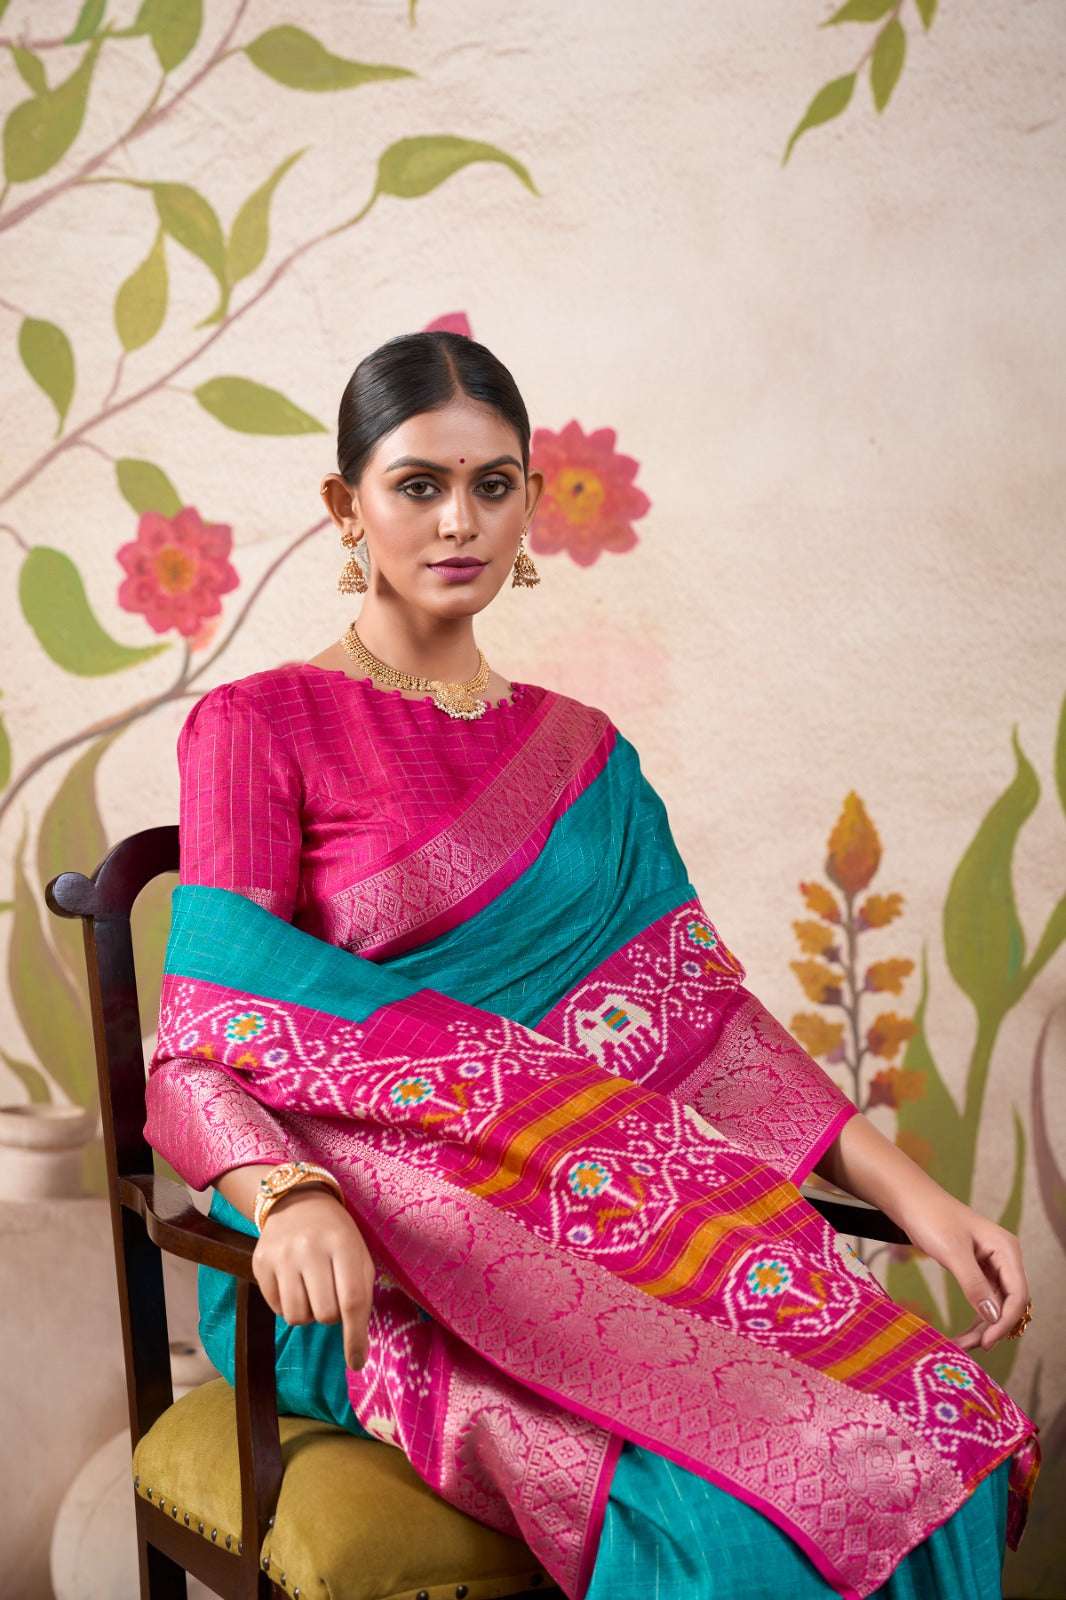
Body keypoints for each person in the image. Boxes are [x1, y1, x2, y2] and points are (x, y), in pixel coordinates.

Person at [145, 330, 1038, 1600]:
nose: (459, 520)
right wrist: (285, 1193)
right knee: (718, 1510)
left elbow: (706, 1024)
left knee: (935, 1428)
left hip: (622, 1231)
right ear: (345, 506)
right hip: (378, 1262)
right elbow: (200, 1042)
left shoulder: (584, 755)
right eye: (417, 485)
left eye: (493, 485)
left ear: (526, 505)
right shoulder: (257, 725)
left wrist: (922, 1201)